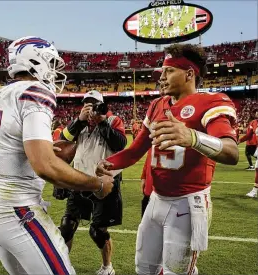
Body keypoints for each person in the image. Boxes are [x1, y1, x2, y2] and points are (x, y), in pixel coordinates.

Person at [0, 36, 114, 275]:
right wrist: (97, 183)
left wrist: (48, 148)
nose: (54, 70)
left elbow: (19, 147)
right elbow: (45, 166)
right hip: (17, 211)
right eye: (50, 62)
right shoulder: (34, 91)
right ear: (34, 60)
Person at [97, 44, 239, 275]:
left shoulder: (211, 102)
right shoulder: (157, 105)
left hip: (188, 202)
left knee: (177, 271)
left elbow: (231, 152)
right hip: (156, 200)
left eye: (168, 71)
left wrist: (192, 137)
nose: (161, 78)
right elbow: (135, 150)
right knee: (144, 267)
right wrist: (109, 163)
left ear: (189, 74)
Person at [57, 90, 127, 275]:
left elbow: (120, 144)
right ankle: (63, 266)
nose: (90, 107)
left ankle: (107, 267)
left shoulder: (113, 120)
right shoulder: (78, 123)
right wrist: (79, 121)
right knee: (67, 226)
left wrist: (101, 121)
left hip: (104, 183)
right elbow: (62, 142)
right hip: (78, 180)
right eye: (86, 104)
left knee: (98, 231)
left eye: (94, 104)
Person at [140, 148, 153, 217]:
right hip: (149, 191)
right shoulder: (154, 138)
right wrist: (144, 177)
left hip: (171, 196)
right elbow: (149, 157)